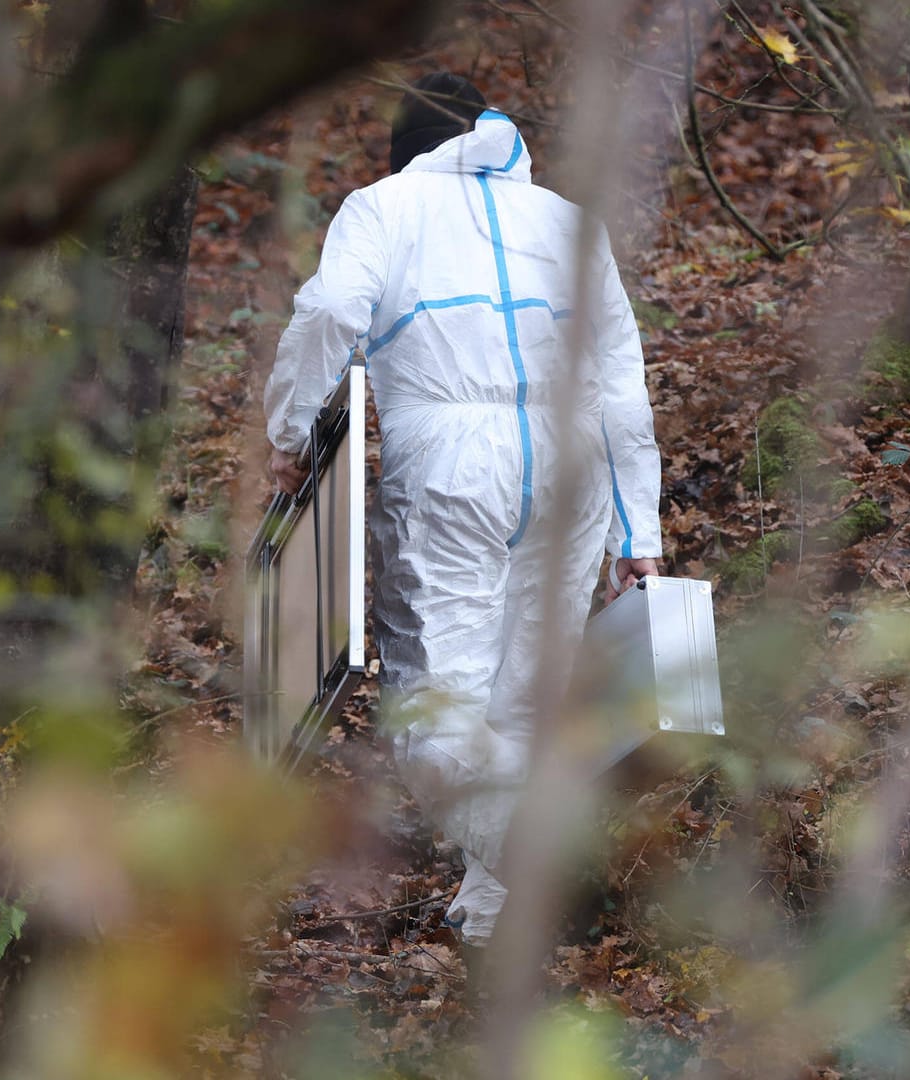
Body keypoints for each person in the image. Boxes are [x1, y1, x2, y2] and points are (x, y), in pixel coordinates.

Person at [262, 74, 663, 948]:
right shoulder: (568, 219)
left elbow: (331, 308)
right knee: (525, 705)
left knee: (435, 706)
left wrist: (293, 433)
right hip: (576, 461)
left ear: (403, 146)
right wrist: (641, 530)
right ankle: (492, 927)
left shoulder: (383, 206)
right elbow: (624, 383)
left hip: (447, 463)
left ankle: (538, 853)